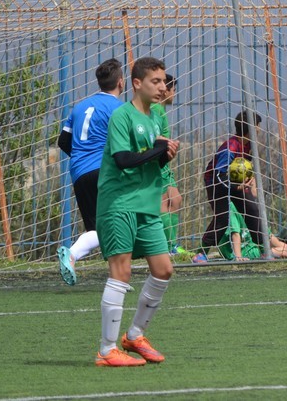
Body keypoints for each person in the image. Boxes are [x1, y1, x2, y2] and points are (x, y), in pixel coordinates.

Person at [93, 56, 179, 367]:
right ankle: (106, 350)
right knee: (121, 271)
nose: (162, 87)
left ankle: (135, 335)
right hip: (119, 203)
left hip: (146, 204)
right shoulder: (122, 115)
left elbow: (149, 160)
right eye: (156, 81)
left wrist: (164, 156)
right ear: (136, 83)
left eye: (163, 81)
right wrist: (157, 150)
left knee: (164, 269)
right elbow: (123, 160)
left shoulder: (155, 117)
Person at [57, 58, 124, 286]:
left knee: (99, 227)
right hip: (104, 172)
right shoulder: (118, 109)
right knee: (115, 225)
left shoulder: (79, 107)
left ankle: (117, 277)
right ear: (121, 82)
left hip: (79, 172)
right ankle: (73, 254)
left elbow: (63, 141)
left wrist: (81, 158)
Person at [200, 111, 264, 254]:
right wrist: (236, 186)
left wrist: (249, 180)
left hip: (235, 183)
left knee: (252, 210)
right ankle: (201, 252)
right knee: (223, 217)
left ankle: (263, 250)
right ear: (251, 128)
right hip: (216, 183)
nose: (260, 129)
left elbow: (245, 166)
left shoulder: (250, 145)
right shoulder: (230, 148)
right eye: (258, 126)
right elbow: (218, 176)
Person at [154, 74, 184, 254]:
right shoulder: (155, 110)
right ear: (166, 91)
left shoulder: (160, 110)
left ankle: (172, 244)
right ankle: (165, 247)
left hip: (165, 165)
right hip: (157, 164)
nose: (174, 94)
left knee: (175, 199)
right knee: (163, 203)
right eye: (174, 90)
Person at [218, 202, 287, 261]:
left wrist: (281, 246)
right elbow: (235, 234)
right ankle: (267, 255)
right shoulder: (232, 206)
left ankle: (268, 254)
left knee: (285, 247)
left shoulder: (251, 206)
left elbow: (266, 233)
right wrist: (238, 257)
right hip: (240, 251)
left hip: (251, 246)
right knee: (282, 251)